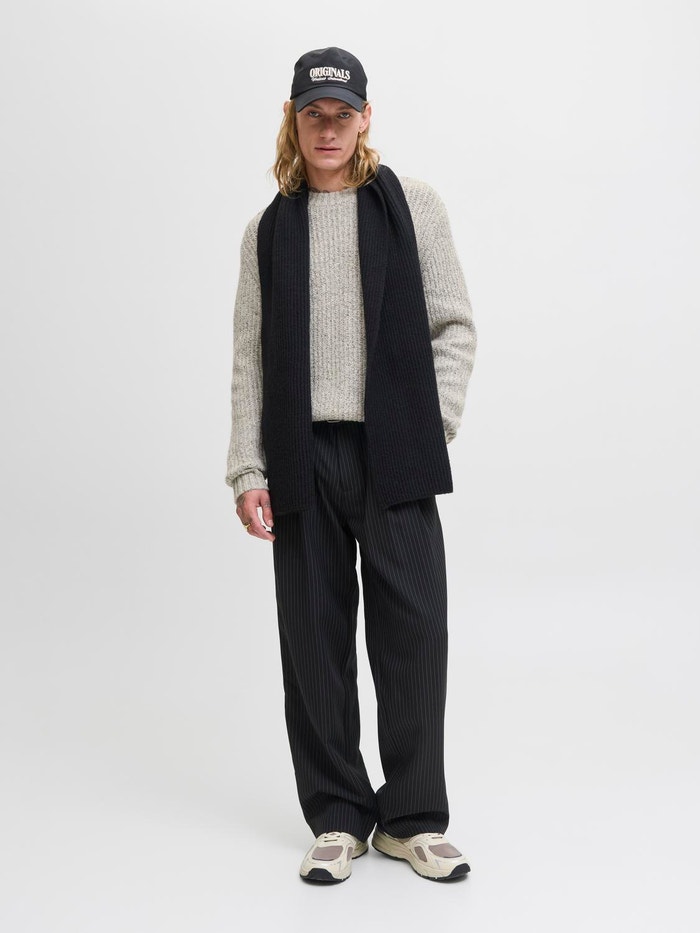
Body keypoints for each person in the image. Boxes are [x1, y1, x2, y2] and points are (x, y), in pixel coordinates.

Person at [225, 46, 477, 883]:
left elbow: (453, 325)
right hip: (302, 453)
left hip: (392, 451)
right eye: (313, 114)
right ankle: (337, 814)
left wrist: (429, 425)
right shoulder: (269, 229)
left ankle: (413, 819)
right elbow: (250, 356)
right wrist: (247, 469)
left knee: (414, 635)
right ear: (293, 120)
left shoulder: (413, 205)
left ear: (366, 118)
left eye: (342, 114)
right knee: (314, 640)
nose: (328, 129)